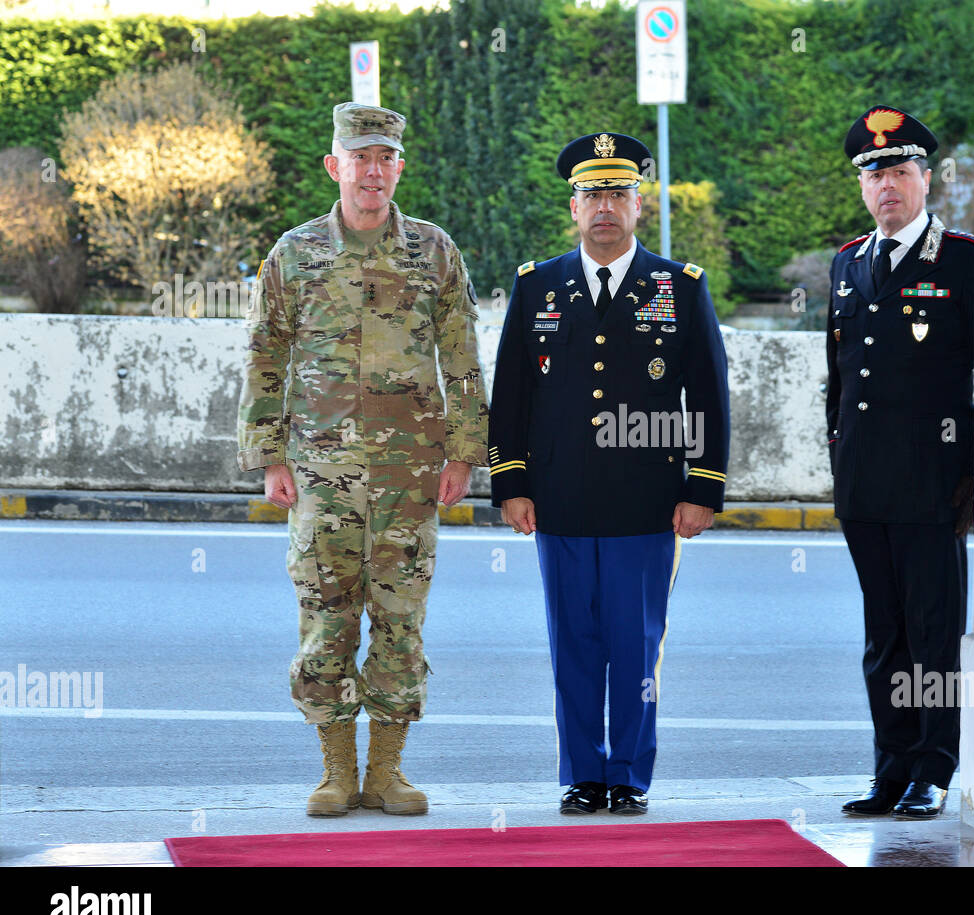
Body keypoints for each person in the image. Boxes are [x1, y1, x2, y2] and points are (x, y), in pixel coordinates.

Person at [237, 102, 488, 817]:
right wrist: (269, 455)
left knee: (401, 620)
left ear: (398, 168)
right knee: (326, 618)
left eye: (385, 159)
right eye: (360, 157)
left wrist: (466, 453)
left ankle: (387, 770)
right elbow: (265, 355)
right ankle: (335, 772)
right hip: (322, 475)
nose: (372, 171)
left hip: (412, 476)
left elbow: (462, 357)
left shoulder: (433, 251)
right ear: (335, 166)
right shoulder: (295, 253)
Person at [488, 132, 730, 815]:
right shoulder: (538, 285)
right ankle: (581, 773)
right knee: (572, 645)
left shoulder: (677, 287)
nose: (604, 207)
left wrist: (702, 487)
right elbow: (512, 394)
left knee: (635, 647)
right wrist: (512, 482)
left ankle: (627, 773)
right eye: (591, 194)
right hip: (558, 500)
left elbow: (708, 394)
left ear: (639, 205)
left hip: (646, 504)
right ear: (573, 208)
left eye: (617, 194)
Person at [826, 105, 974, 817]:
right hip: (864, 482)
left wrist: (969, 477)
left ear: (925, 180)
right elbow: (842, 375)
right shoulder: (849, 263)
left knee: (932, 632)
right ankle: (889, 766)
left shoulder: (964, 259)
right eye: (875, 174)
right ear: (863, 187)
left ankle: (933, 768)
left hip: (930, 482)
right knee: (882, 634)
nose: (888, 185)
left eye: (900, 172)